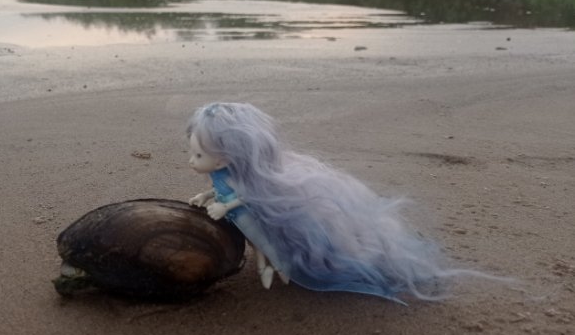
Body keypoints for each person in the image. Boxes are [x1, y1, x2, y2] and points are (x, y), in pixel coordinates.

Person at [187, 101, 479, 302]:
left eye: (199, 156)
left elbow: (246, 195)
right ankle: (269, 268)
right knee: (259, 246)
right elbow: (225, 190)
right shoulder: (226, 172)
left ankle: (278, 269)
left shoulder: (243, 179)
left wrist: (226, 206)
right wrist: (208, 196)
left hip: (248, 217)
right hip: (240, 216)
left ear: (226, 156)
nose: (192, 162)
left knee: (266, 245)